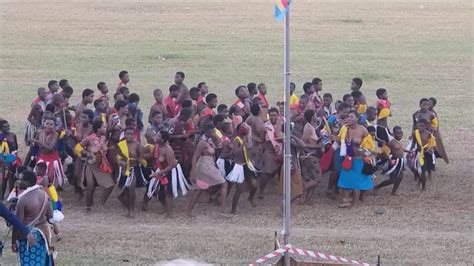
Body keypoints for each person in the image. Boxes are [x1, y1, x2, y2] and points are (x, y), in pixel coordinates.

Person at [12, 170, 54, 266]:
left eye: (20, 179)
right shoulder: (44, 195)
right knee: (42, 261)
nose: (18, 181)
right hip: (44, 234)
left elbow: (18, 224)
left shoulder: (23, 200)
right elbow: (50, 216)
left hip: (28, 237)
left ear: (28, 182)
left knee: (29, 262)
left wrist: (13, 241)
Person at [143, 130, 189, 217]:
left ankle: (169, 214)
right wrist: (140, 156)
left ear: (163, 140)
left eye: (159, 136)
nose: (156, 137)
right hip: (161, 169)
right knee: (153, 188)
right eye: (157, 135)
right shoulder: (157, 146)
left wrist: (158, 173)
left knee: (167, 191)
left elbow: (171, 165)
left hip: (171, 171)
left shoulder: (168, 150)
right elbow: (152, 155)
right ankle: (163, 207)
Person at [186, 124, 228, 217]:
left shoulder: (209, 141)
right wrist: (193, 170)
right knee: (224, 184)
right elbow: (195, 156)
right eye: (212, 132)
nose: (214, 133)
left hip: (208, 164)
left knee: (200, 188)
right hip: (205, 165)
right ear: (207, 132)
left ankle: (189, 210)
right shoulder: (202, 143)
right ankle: (223, 211)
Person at [337, 110, 376, 208]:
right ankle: (346, 200)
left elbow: (370, 145)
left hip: (358, 159)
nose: (349, 119)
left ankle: (355, 203)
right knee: (344, 180)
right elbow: (339, 141)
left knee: (356, 183)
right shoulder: (344, 129)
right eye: (348, 117)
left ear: (357, 118)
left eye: (352, 117)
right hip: (348, 158)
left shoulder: (362, 129)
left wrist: (363, 151)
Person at [78, 120, 115, 211]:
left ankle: (101, 204)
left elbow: (103, 149)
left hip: (101, 165)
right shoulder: (89, 138)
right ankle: (88, 207)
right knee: (90, 187)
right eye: (104, 127)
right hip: (91, 165)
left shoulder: (103, 138)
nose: (105, 129)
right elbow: (78, 147)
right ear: (98, 129)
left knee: (110, 185)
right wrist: (87, 153)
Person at [226, 123, 258, 214]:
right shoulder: (236, 140)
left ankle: (250, 198)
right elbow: (235, 153)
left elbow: (250, 148)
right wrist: (243, 144)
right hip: (239, 166)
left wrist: (248, 141)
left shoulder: (247, 138)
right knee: (239, 189)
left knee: (254, 185)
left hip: (247, 164)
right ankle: (233, 209)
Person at [29, 117, 66, 188]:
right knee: (39, 176)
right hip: (42, 157)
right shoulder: (39, 131)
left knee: (50, 177)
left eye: (51, 124)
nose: (49, 126)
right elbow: (35, 143)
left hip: (52, 158)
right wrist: (33, 141)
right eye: (47, 123)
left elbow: (50, 147)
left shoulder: (55, 134)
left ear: (54, 126)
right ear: (44, 124)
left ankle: (51, 193)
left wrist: (38, 142)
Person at [117, 127, 146, 218]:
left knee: (131, 187)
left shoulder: (137, 144)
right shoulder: (121, 144)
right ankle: (129, 208)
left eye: (131, 134)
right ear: (124, 134)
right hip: (125, 169)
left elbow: (141, 157)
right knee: (123, 193)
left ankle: (131, 210)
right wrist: (121, 162)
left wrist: (140, 160)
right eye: (128, 134)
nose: (129, 136)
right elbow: (118, 156)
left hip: (134, 168)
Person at [259, 108, 283, 199]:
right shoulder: (265, 126)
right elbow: (262, 139)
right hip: (270, 150)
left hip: (282, 150)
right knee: (267, 172)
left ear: (278, 115)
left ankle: (282, 190)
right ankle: (261, 190)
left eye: (275, 115)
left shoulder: (283, 123)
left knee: (283, 171)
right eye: (271, 115)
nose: (273, 117)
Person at [300, 110, 322, 204]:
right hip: (310, 156)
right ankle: (300, 192)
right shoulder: (308, 128)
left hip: (313, 155)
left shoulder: (311, 127)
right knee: (317, 178)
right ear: (313, 116)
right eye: (315, 114)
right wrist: (317, 146)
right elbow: (303, 143)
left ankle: (308, 199)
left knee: (312, 178)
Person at [407, 118, 436, 191]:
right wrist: (410, 151)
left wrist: (429, 149)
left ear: (426, 126)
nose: (420, 128)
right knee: (413, 167)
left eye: (422, 126)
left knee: (423, 170)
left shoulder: (428, 134)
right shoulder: (415, 133)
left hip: (426, 154)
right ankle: (420, 180)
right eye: (419, 126)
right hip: (418, 152)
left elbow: (432, 144)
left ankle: (423, 187)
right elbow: (413, 143)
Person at [375, 126, 405, 195]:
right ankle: (377, 187)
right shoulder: (391, 142)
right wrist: (389, 160)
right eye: (398, 133)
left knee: (400, 177)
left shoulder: (397, 141)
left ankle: (394, 192)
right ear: (393, 134)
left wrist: (409, 151)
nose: (400, 135)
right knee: (393, 179)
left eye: (401, 133)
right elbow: (385, 151)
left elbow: (399, 149)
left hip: (400, 161)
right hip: (394, 162)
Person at [1, 120, 19, 200]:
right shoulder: (1, 138)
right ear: (1, 128)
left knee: (12, 178)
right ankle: (2, 196)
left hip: (13, 159)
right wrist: (4, 163)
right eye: (5, 127)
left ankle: (11, 196)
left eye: (8, 126)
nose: (7, 128)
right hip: (5, 160)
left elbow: (16, 146)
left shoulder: (13, 135)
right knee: (5, 178)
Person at [245, 103, 266, 172]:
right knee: (257, 164)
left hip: (249, 141)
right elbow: (260, 133)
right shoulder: (257, 120)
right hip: (256, 144)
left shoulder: (249, 117)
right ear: (259, 111)